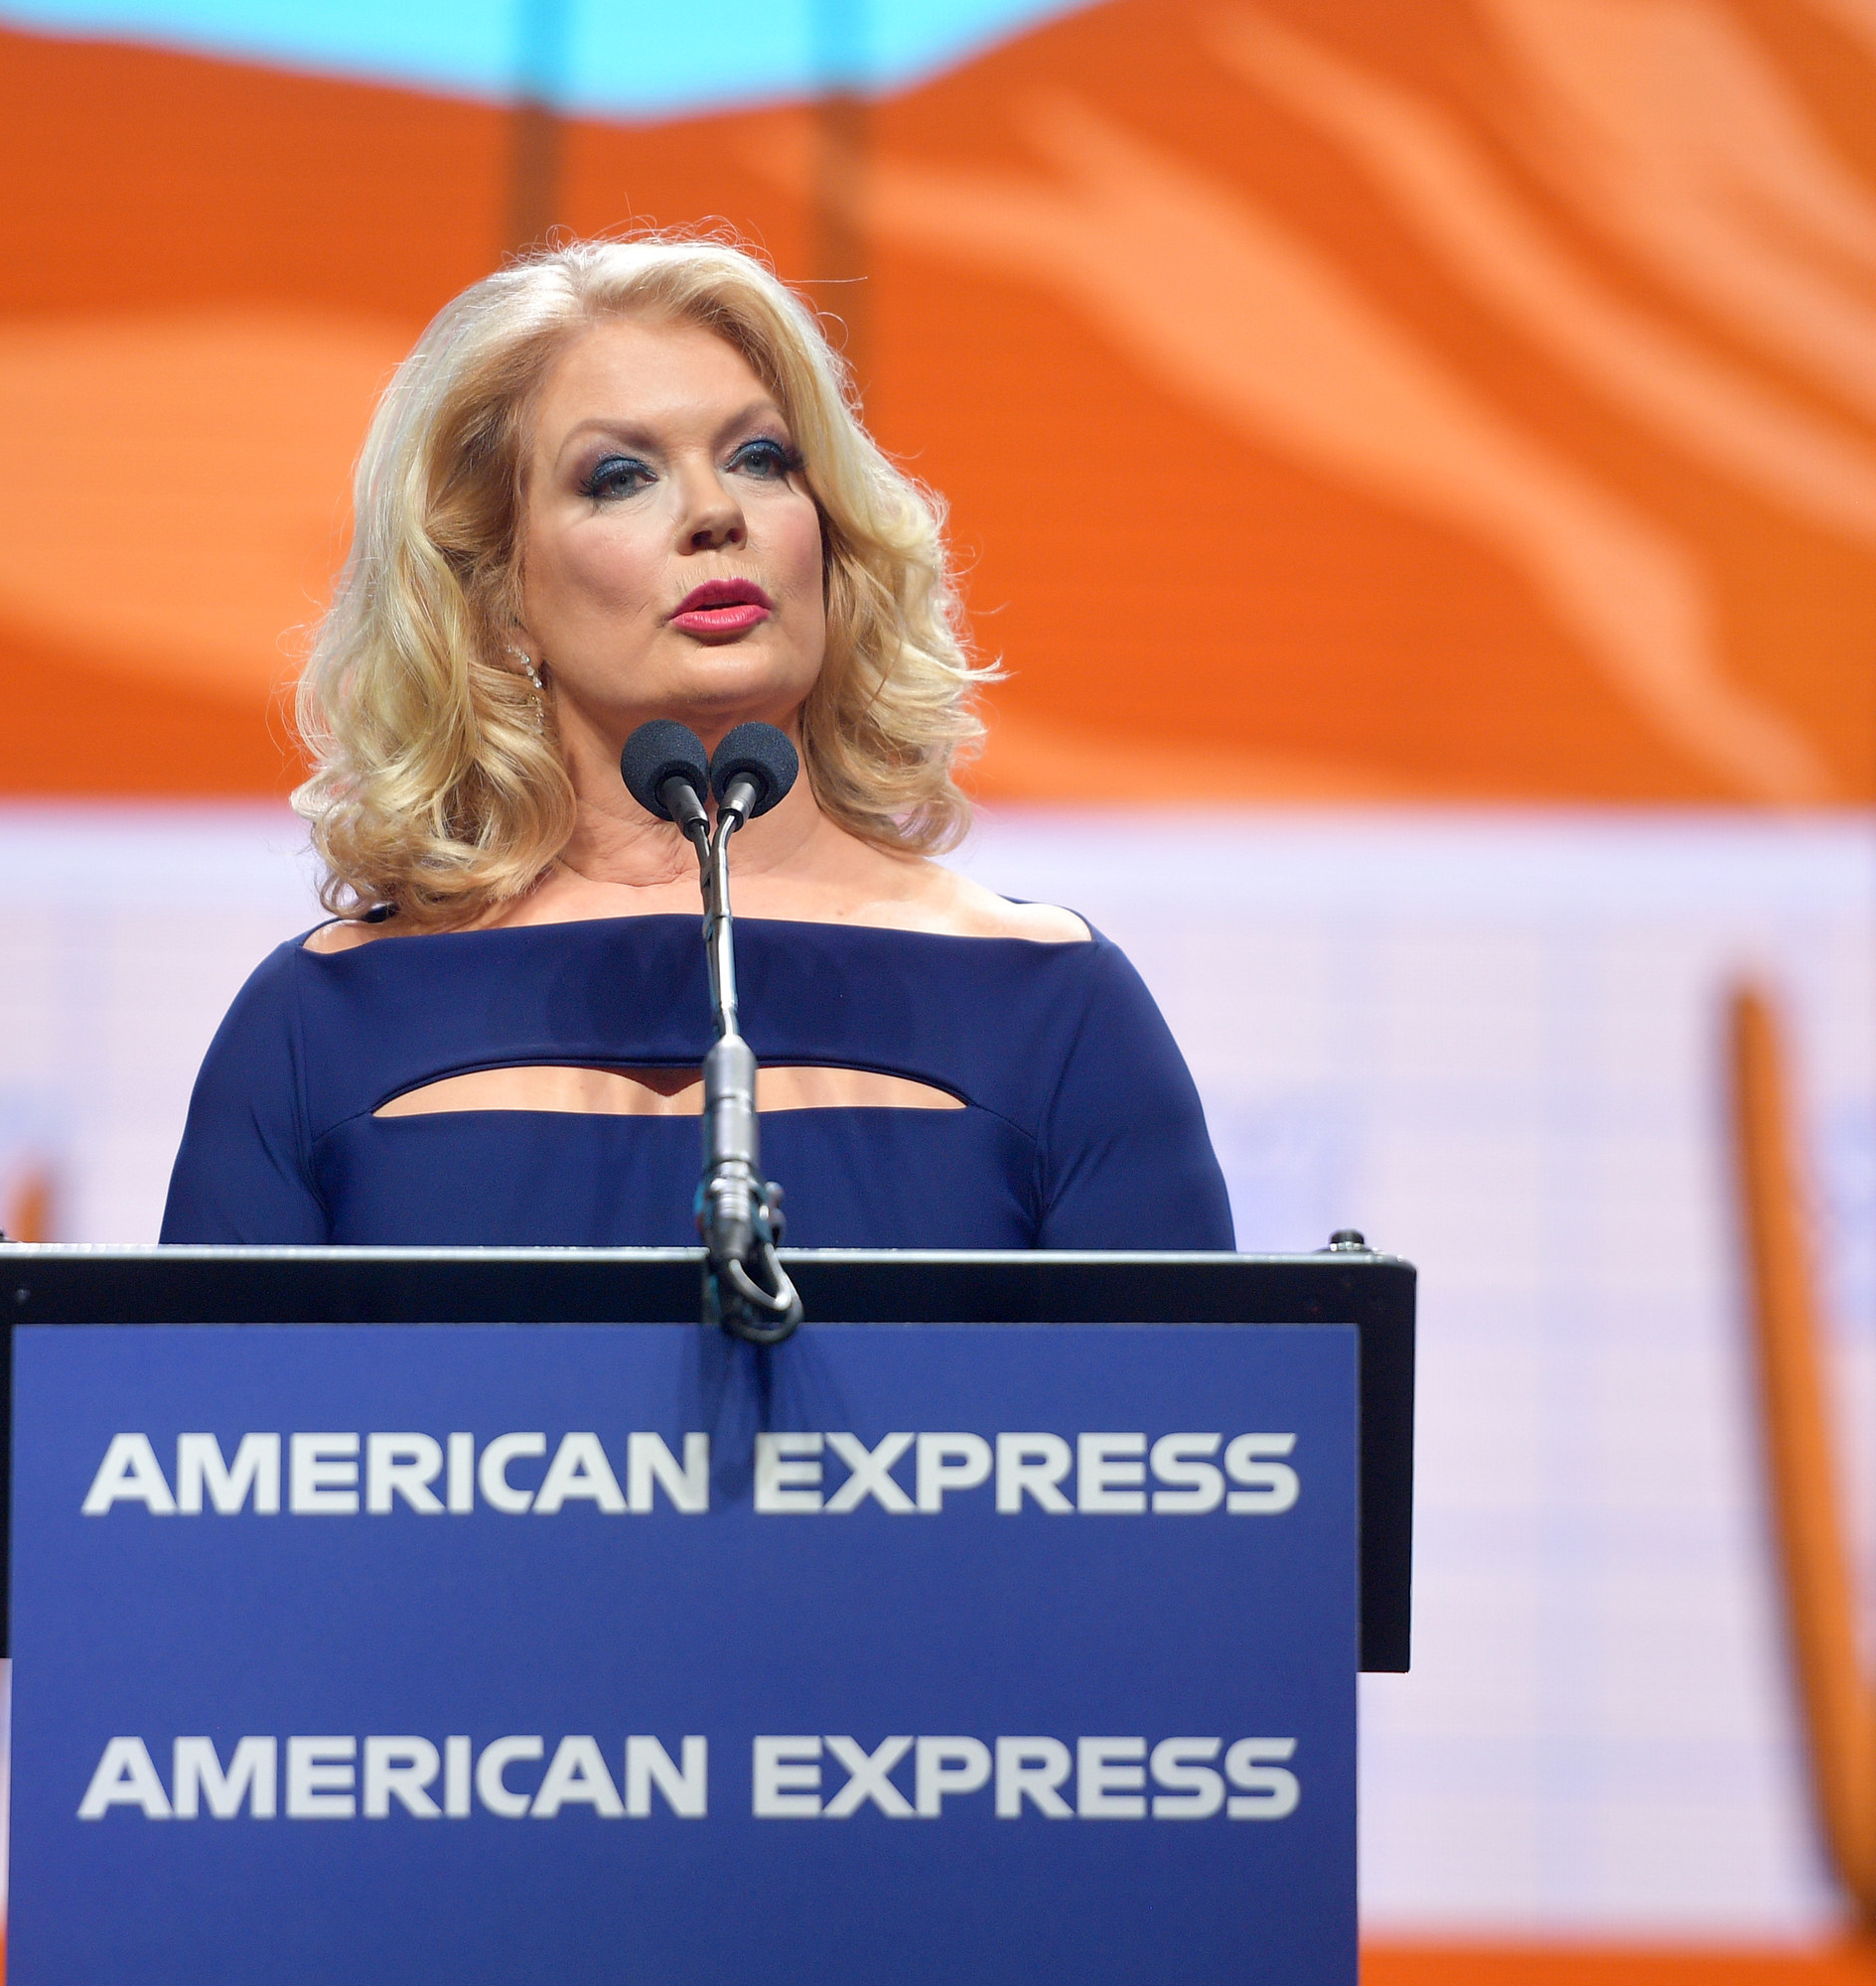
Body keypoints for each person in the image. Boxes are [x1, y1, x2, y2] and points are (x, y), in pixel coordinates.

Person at [162, 233, 1231, 1251]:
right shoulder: (323, 1025)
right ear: (496, 598)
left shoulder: (1049, 1007)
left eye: (762, 458)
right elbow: (191, 1437)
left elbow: (1196, 1431)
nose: (717, 511)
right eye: (619, 476)